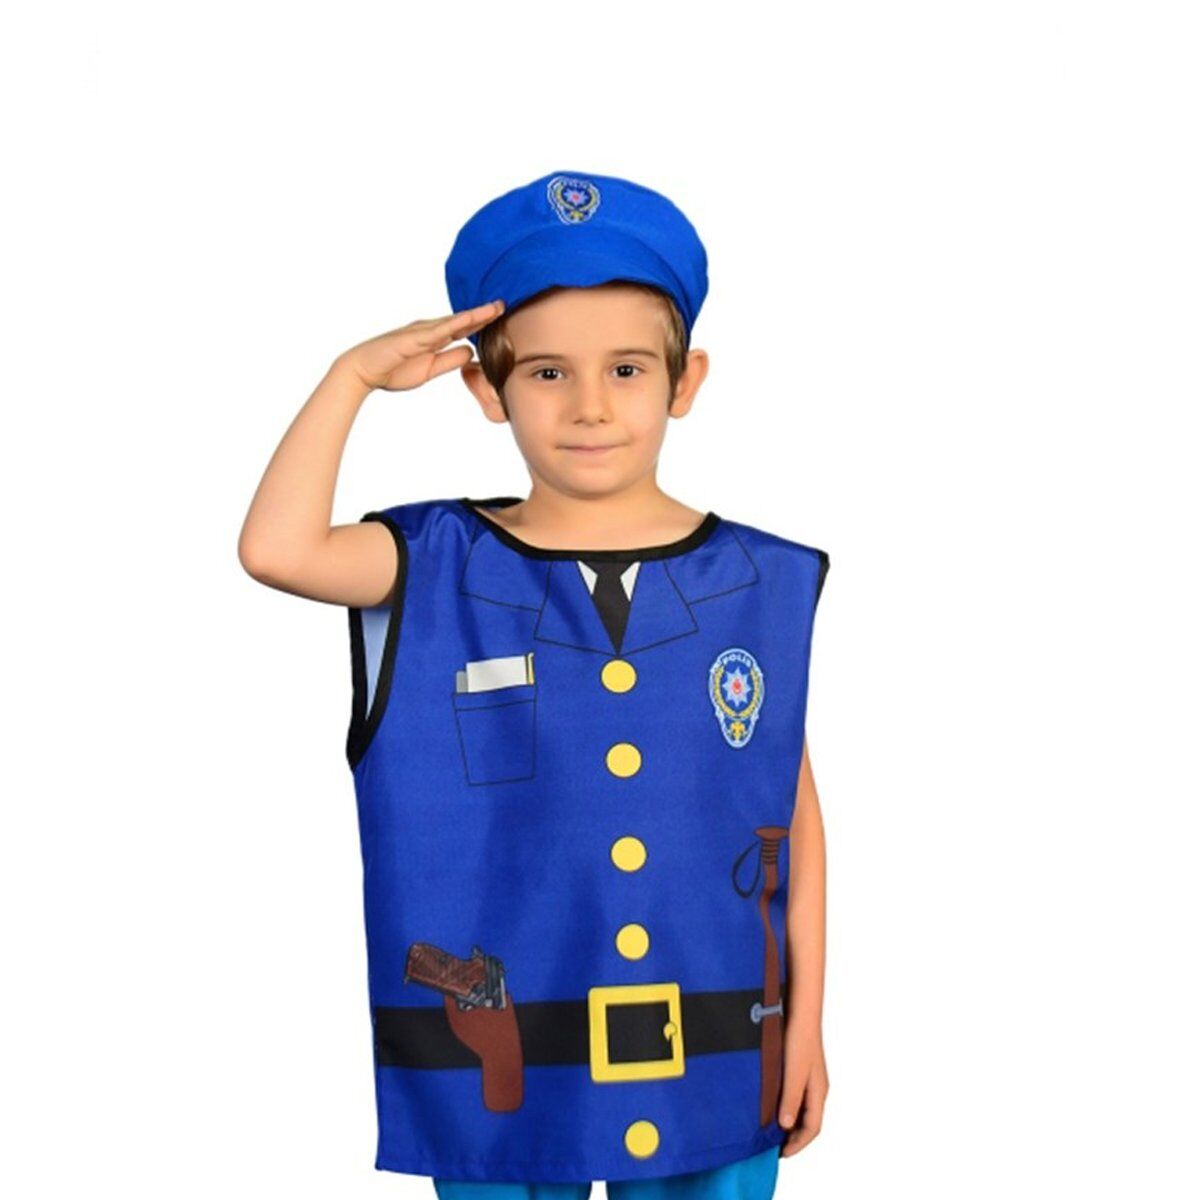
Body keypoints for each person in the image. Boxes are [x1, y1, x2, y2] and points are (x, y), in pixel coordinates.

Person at [238, 170, 830, 1199]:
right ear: (487, 390)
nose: (590, 405)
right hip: (503, 1062)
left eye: (628, 369)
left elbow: (790, 812)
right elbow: (276, 549)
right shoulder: (431, 562)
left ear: (684, 381)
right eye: (548, 372)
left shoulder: (760, 580)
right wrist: (351, 378)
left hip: (720, 1042)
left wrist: (807, 1023)